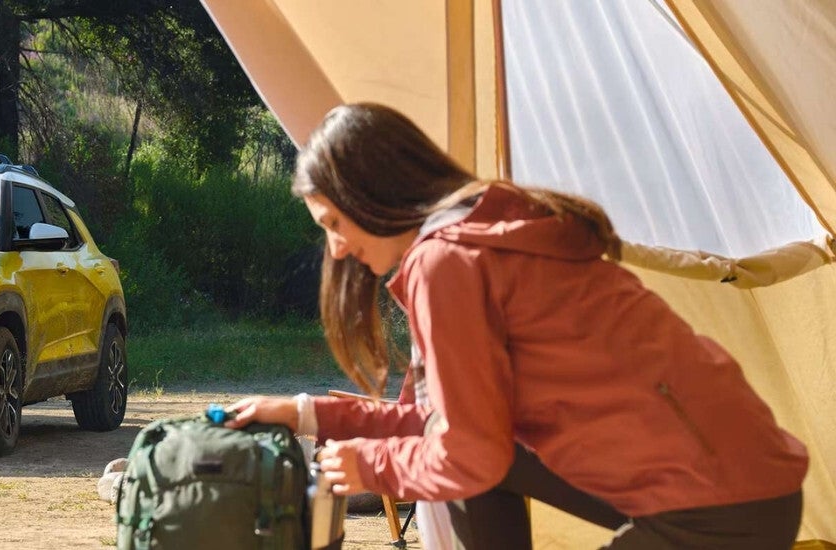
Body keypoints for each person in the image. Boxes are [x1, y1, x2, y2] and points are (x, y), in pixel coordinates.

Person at [225, 103, 808, 549]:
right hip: (742, 482)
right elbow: (452, 425)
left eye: (332, 221)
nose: (338, 248)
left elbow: (464, 453)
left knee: (450, 466)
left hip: (717, 508)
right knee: (450, 457)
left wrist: (369, 465)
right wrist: (307, 413)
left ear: (369, 191)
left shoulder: (448, 262)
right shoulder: (485, 231)